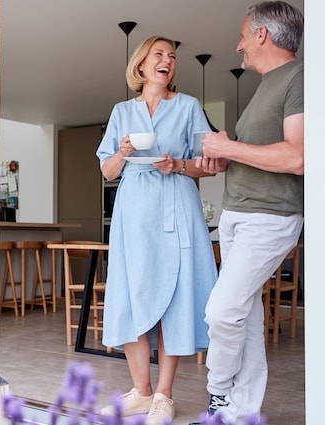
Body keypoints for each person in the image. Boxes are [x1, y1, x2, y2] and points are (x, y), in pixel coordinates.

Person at [189, 2, 304, 425]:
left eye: (242, 36)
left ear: (262, 35)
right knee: (245, 316)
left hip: (269, 217)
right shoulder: (267, 85)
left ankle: (218, 396)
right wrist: (222, 161)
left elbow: (298, 156)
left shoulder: (301, 77)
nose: (238, 46)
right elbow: (260, 154)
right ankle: (244, 414)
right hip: (237, 214)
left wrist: (228, 148)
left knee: (221, 311)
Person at [96, 35, 218, 425]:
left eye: (173, 56)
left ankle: (164, 394)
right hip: (133, 212)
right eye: (159, 55)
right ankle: (141, 392)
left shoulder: (188, 107)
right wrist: (123, 152)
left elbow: (208, 162)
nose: (168, 61)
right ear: (142, 65)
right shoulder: (120, 111)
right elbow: (107, 170)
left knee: (176, 297)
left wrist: (178, 165)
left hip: (175, 205)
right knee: (132, 294)